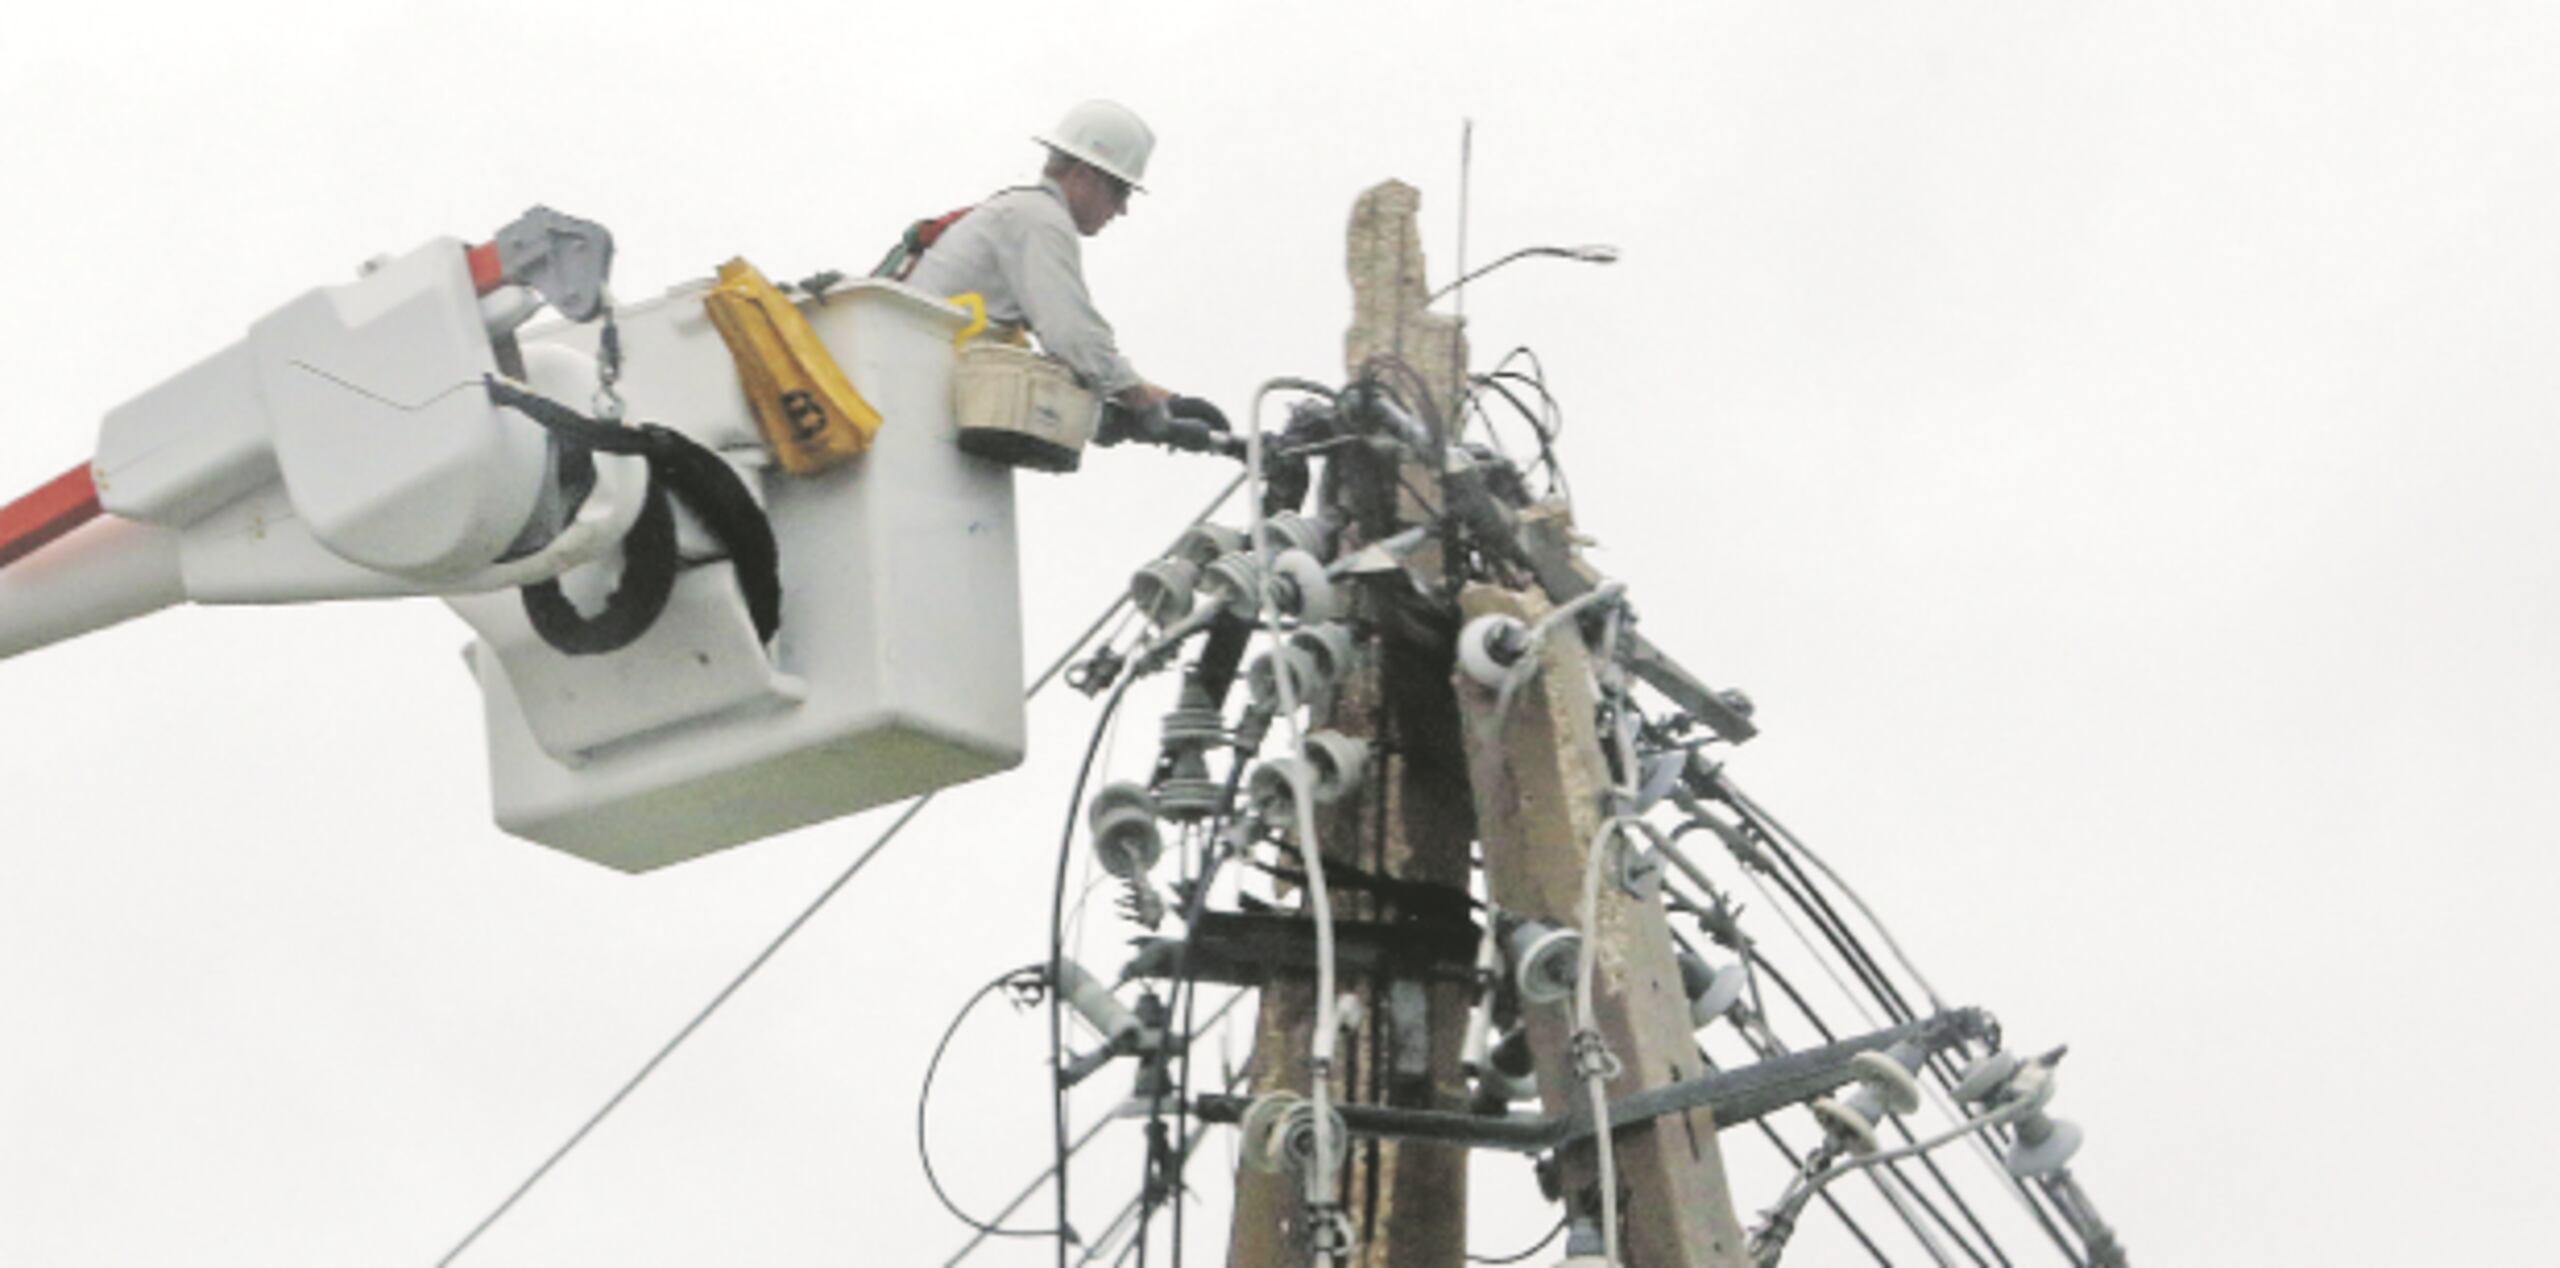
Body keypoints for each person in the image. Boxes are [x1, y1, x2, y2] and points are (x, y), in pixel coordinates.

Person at [902, 100, 1179, 430]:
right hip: (918, 402)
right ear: (1082, 176)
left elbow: (1065, 353)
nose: (1122, 210)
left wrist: (1109, 404)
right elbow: (1072, 335)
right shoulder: (1040, 219)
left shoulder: (1020, 212)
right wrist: (1141, 395)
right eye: (1120, 192)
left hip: (921, 396)